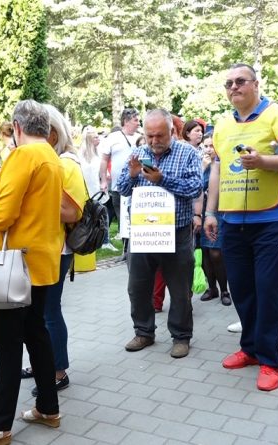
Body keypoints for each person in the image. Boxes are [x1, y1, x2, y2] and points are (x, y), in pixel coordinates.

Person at [204, 63, 278, 392]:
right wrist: (210, 212)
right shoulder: (222, 124)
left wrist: (264, 161)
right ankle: (250, 349)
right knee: (241, 288)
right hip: (232, 220)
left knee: (268, 291)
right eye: (228, 83)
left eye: (240, 81)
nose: (234, 87)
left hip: (272, 220)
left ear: (255, 84)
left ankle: (270, 360)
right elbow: (218, 170)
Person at [0, 100, 64, 445]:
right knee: (36, 334)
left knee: (7, 343)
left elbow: (4, 213)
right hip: (40, 262)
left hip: (14, 264)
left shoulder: (23, 156)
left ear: (17, 127)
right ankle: (48, 408)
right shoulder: (51, 154)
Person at [117, 108, 201, 359]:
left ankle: (181, 336)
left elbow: (195, 187)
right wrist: (132, 175)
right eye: (149, 135)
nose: (154, 141)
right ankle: (144, 332)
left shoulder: (188, 153)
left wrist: (162, 179)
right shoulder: (138, 153)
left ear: (172, 131)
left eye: (159, 136)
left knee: (180, 289)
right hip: (143, 233)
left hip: (177, 233)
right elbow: (122, 189)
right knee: (137, 287)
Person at [19, 104, 86, 396]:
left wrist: (33, 200)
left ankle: (58, 371)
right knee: (38, 313)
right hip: (44, 247)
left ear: (53, 134)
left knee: (49, 311)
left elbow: (72, 212)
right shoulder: (51, 161)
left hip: (57, 249)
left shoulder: (66, 164)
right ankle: (42, 362)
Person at [198, 132, 230, 305]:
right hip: (202, 212)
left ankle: (225, 289)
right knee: (205, 252)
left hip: (219, 212)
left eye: (212, 146)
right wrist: (202, 169)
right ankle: (212, 288)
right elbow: (195, 188)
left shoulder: (222, 164)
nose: (209, 149)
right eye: (206, 146)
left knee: (216, 253)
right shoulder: (201, 164)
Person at [99, 108, 140, 236]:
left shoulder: (140, 138)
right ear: (126, 121)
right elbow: (104, 160)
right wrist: (103, 181)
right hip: (118, 187)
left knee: (137, 219)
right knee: (123, 219)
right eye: (135, 120)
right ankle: (126, 245)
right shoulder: (113, 137)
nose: (138, 123)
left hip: (138, 186)